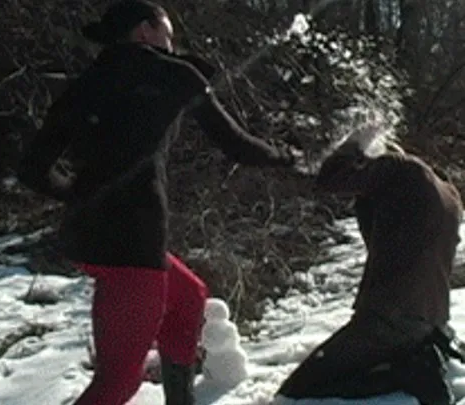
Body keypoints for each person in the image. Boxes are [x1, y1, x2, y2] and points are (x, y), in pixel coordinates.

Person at [16, 1, 301, 404]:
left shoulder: (84, 84)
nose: (172, 37)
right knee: (118, 380)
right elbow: (236, 145)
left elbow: (31, 169)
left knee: (188, 298)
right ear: (145, 30)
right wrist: (287, 156)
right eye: (167, 28)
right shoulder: (173, 74)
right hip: (133, 243)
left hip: (88, 234)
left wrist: (78, 194)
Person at [275, 124, 465, 405]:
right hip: (429, 321)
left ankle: (408, 373)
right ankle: (409, 363)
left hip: (387, 320)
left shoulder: (399, 168)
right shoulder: (446, 194)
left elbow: (329, 178)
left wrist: (354, 143)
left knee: (295, 390)